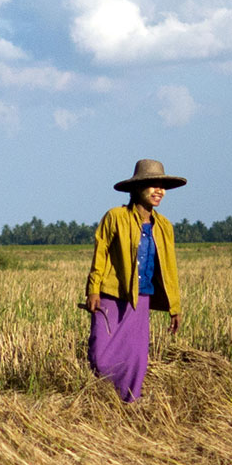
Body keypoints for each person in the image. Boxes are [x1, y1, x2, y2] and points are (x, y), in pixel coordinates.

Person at [80, 159, 184, 402]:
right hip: (111, 294)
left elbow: (170, 269)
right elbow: (101, 253)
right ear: (137, 188)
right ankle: (105, 394)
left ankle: (128, 402)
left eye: (162, 186)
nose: (159, 191)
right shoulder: (115, 217)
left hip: (142, 297)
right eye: (153, 185)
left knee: (136, 357)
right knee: (99, 354)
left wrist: (175, 307)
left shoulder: (165, 226)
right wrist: (93, 290)